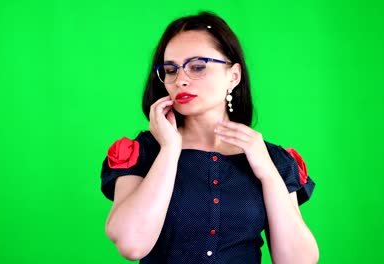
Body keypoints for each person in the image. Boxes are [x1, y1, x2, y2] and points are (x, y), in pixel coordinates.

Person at [100, 11, 318, 263]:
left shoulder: (273, 159)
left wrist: (268, 173)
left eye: (197, 67)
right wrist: (170, 149)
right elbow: (131, 245)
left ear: (233, 76)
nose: (180, 80)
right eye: (170, 70)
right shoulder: (144, 152)